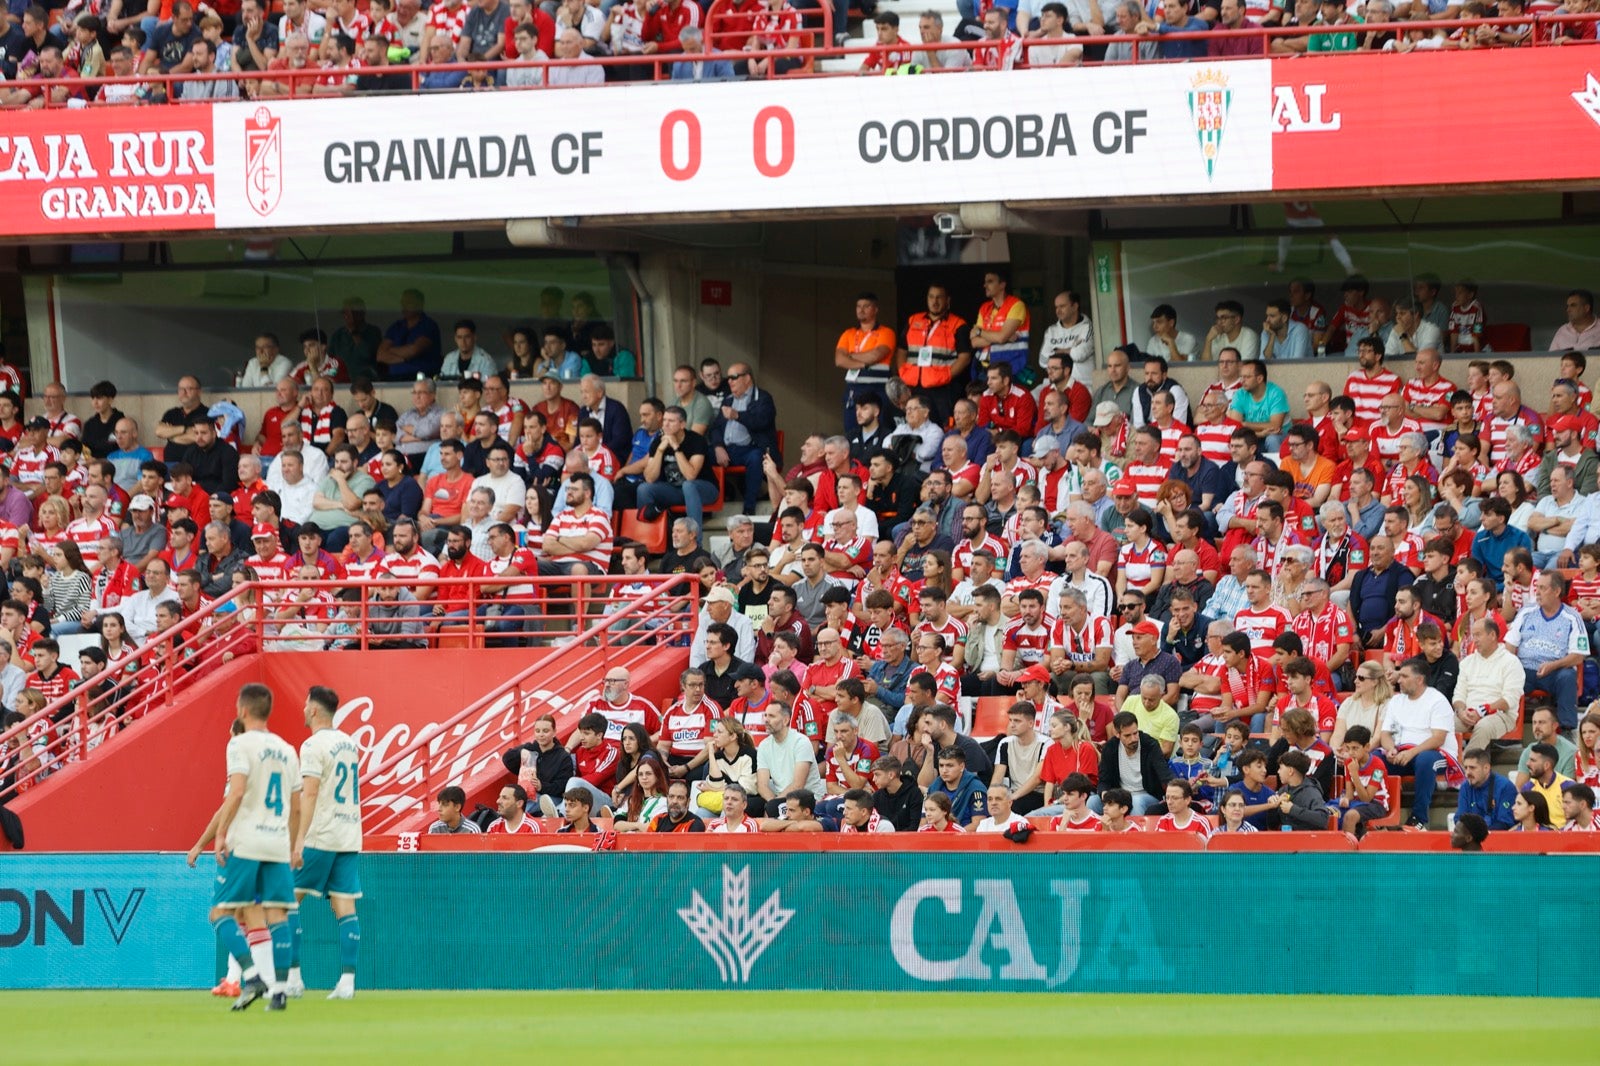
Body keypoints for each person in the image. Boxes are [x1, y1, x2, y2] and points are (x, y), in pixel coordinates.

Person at [189, 684, 298, 1012]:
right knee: (275, 915)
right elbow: (295, 804)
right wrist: (291, 845)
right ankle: (278, 991)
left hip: (247, 841)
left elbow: (235, 793)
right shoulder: (287, 749)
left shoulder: (239, 744)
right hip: (277, 842)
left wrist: (220, 834)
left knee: (220, 913)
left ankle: (251, 976)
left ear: (243, 710)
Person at [284, 686, 361, 1001]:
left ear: (314, 710)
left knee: (286, 901)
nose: (302, 709)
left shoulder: (312, 745)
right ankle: (347, 982)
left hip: (321, 833)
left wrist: (298, 839)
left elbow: (310, 794)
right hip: (348, 833)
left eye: (305, 705)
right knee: (345, 907)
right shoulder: (349, 743)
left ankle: (293, 978)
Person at [1379, 660, 1461, 829]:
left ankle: (1419, 819)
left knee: (1425, 760)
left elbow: (1438, 739)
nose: (1398, 680)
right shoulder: (1395, 701)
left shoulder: (1437, 700)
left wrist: (1411, 753)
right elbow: (1385, 734)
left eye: (1404, 676)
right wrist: (1390, 749)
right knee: (1375, 759)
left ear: (1419, 680)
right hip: (1402, 754)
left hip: (1437, 754)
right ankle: (1379, 812)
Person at [1505, 570, 1590, 731]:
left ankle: (1567, 730)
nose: (1537, 592)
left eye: (1543, 588)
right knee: (1507, 675)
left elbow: (1578, 656)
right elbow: (1510, 644)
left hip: (1555, 671)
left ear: (1557, 591)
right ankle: (1507, 732)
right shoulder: (1526, 612)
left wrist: (1553, 665)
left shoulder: (1572, 617)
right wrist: (1512, 666)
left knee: (1567, 676)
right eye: (1537, 587)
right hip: (1525, 669)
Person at [1092, 711, 1172, 815]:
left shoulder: (1150, 745)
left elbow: (1164, 773)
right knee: (1092, 802)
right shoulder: (1110, 748)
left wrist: (1179, 788)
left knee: (1136, 801)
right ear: (1117, 734)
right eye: (1127, 735)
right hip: (1120, 795)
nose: (1133, 739)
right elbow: (1104, 780)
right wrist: (1105, 793)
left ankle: (1134, 830)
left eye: (1135, 733)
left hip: (1147, 795)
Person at [1456, 747, 1517, 831]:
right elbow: (1460, 818)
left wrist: (1481, 834)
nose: (1467, 773)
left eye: (1472, 768)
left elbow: (1505, 822)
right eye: (1466, 768)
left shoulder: (1505, 787)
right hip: (1471, 837)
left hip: (1497, 838)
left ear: (1486, 768)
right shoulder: (1465, 786)